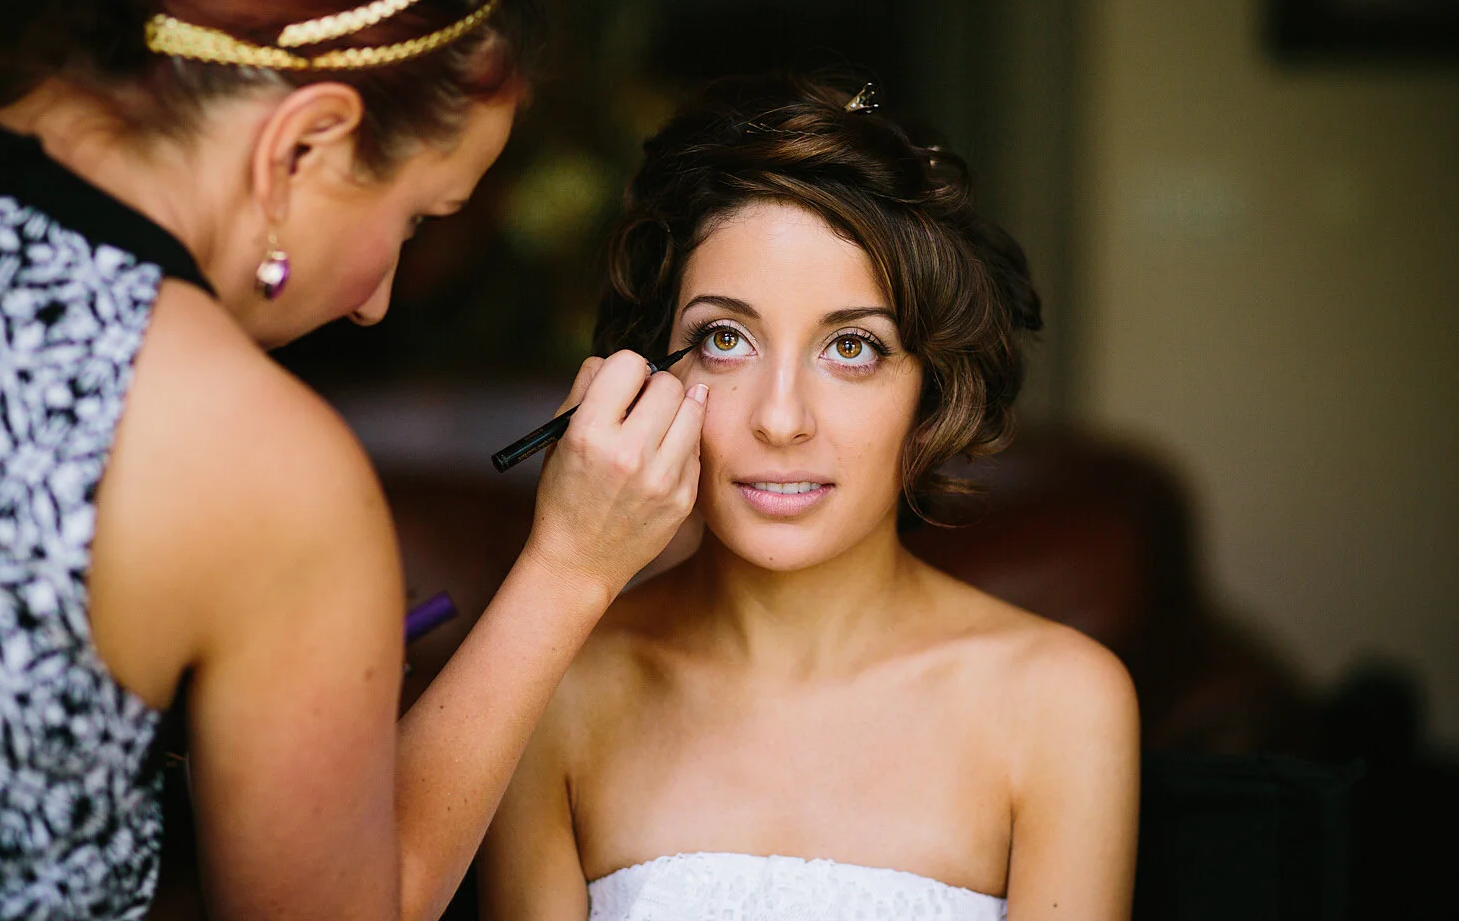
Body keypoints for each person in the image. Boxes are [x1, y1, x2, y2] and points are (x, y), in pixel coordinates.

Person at [0, 0, 706, 919]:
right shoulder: (253, 460)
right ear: (301, 141)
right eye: (414, 219)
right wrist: (572, 567)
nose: (376, 302)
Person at [479, 73, 1141, 920]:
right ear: (644, 376)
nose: (782, 419)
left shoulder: (1059, 701)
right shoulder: (557, 693)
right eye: (725, 339)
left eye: (854, 348)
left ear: (932, 392)